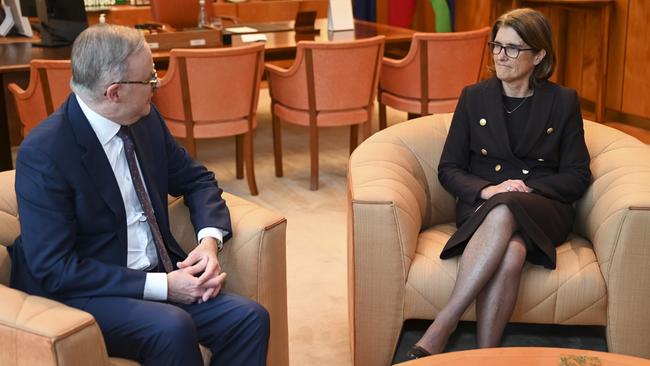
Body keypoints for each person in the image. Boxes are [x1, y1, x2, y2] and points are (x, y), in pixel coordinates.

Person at [8, 24, 269, 366]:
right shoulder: (45, 152)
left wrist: (209, 243)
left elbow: (197, 180)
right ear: (114, 92)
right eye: (150, 79)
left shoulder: (145, 120)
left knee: (249, 319)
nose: (156, 86)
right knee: (172, 326)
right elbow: (55, 268)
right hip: (87, 292)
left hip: (161, 273)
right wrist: (164, 287)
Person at [407, 8, 592, 358]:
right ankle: (486, 357)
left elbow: (578, 174)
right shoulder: (473, 97)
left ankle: (444, 323)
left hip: (542, 208)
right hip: (482, 205)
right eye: (496, 45)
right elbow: (449, 168)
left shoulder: (563, 101)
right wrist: (489, 190)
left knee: (509, 206)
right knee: (512, 255)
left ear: (539, 55)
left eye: (512, 48)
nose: (499, 55)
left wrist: (529, 190)